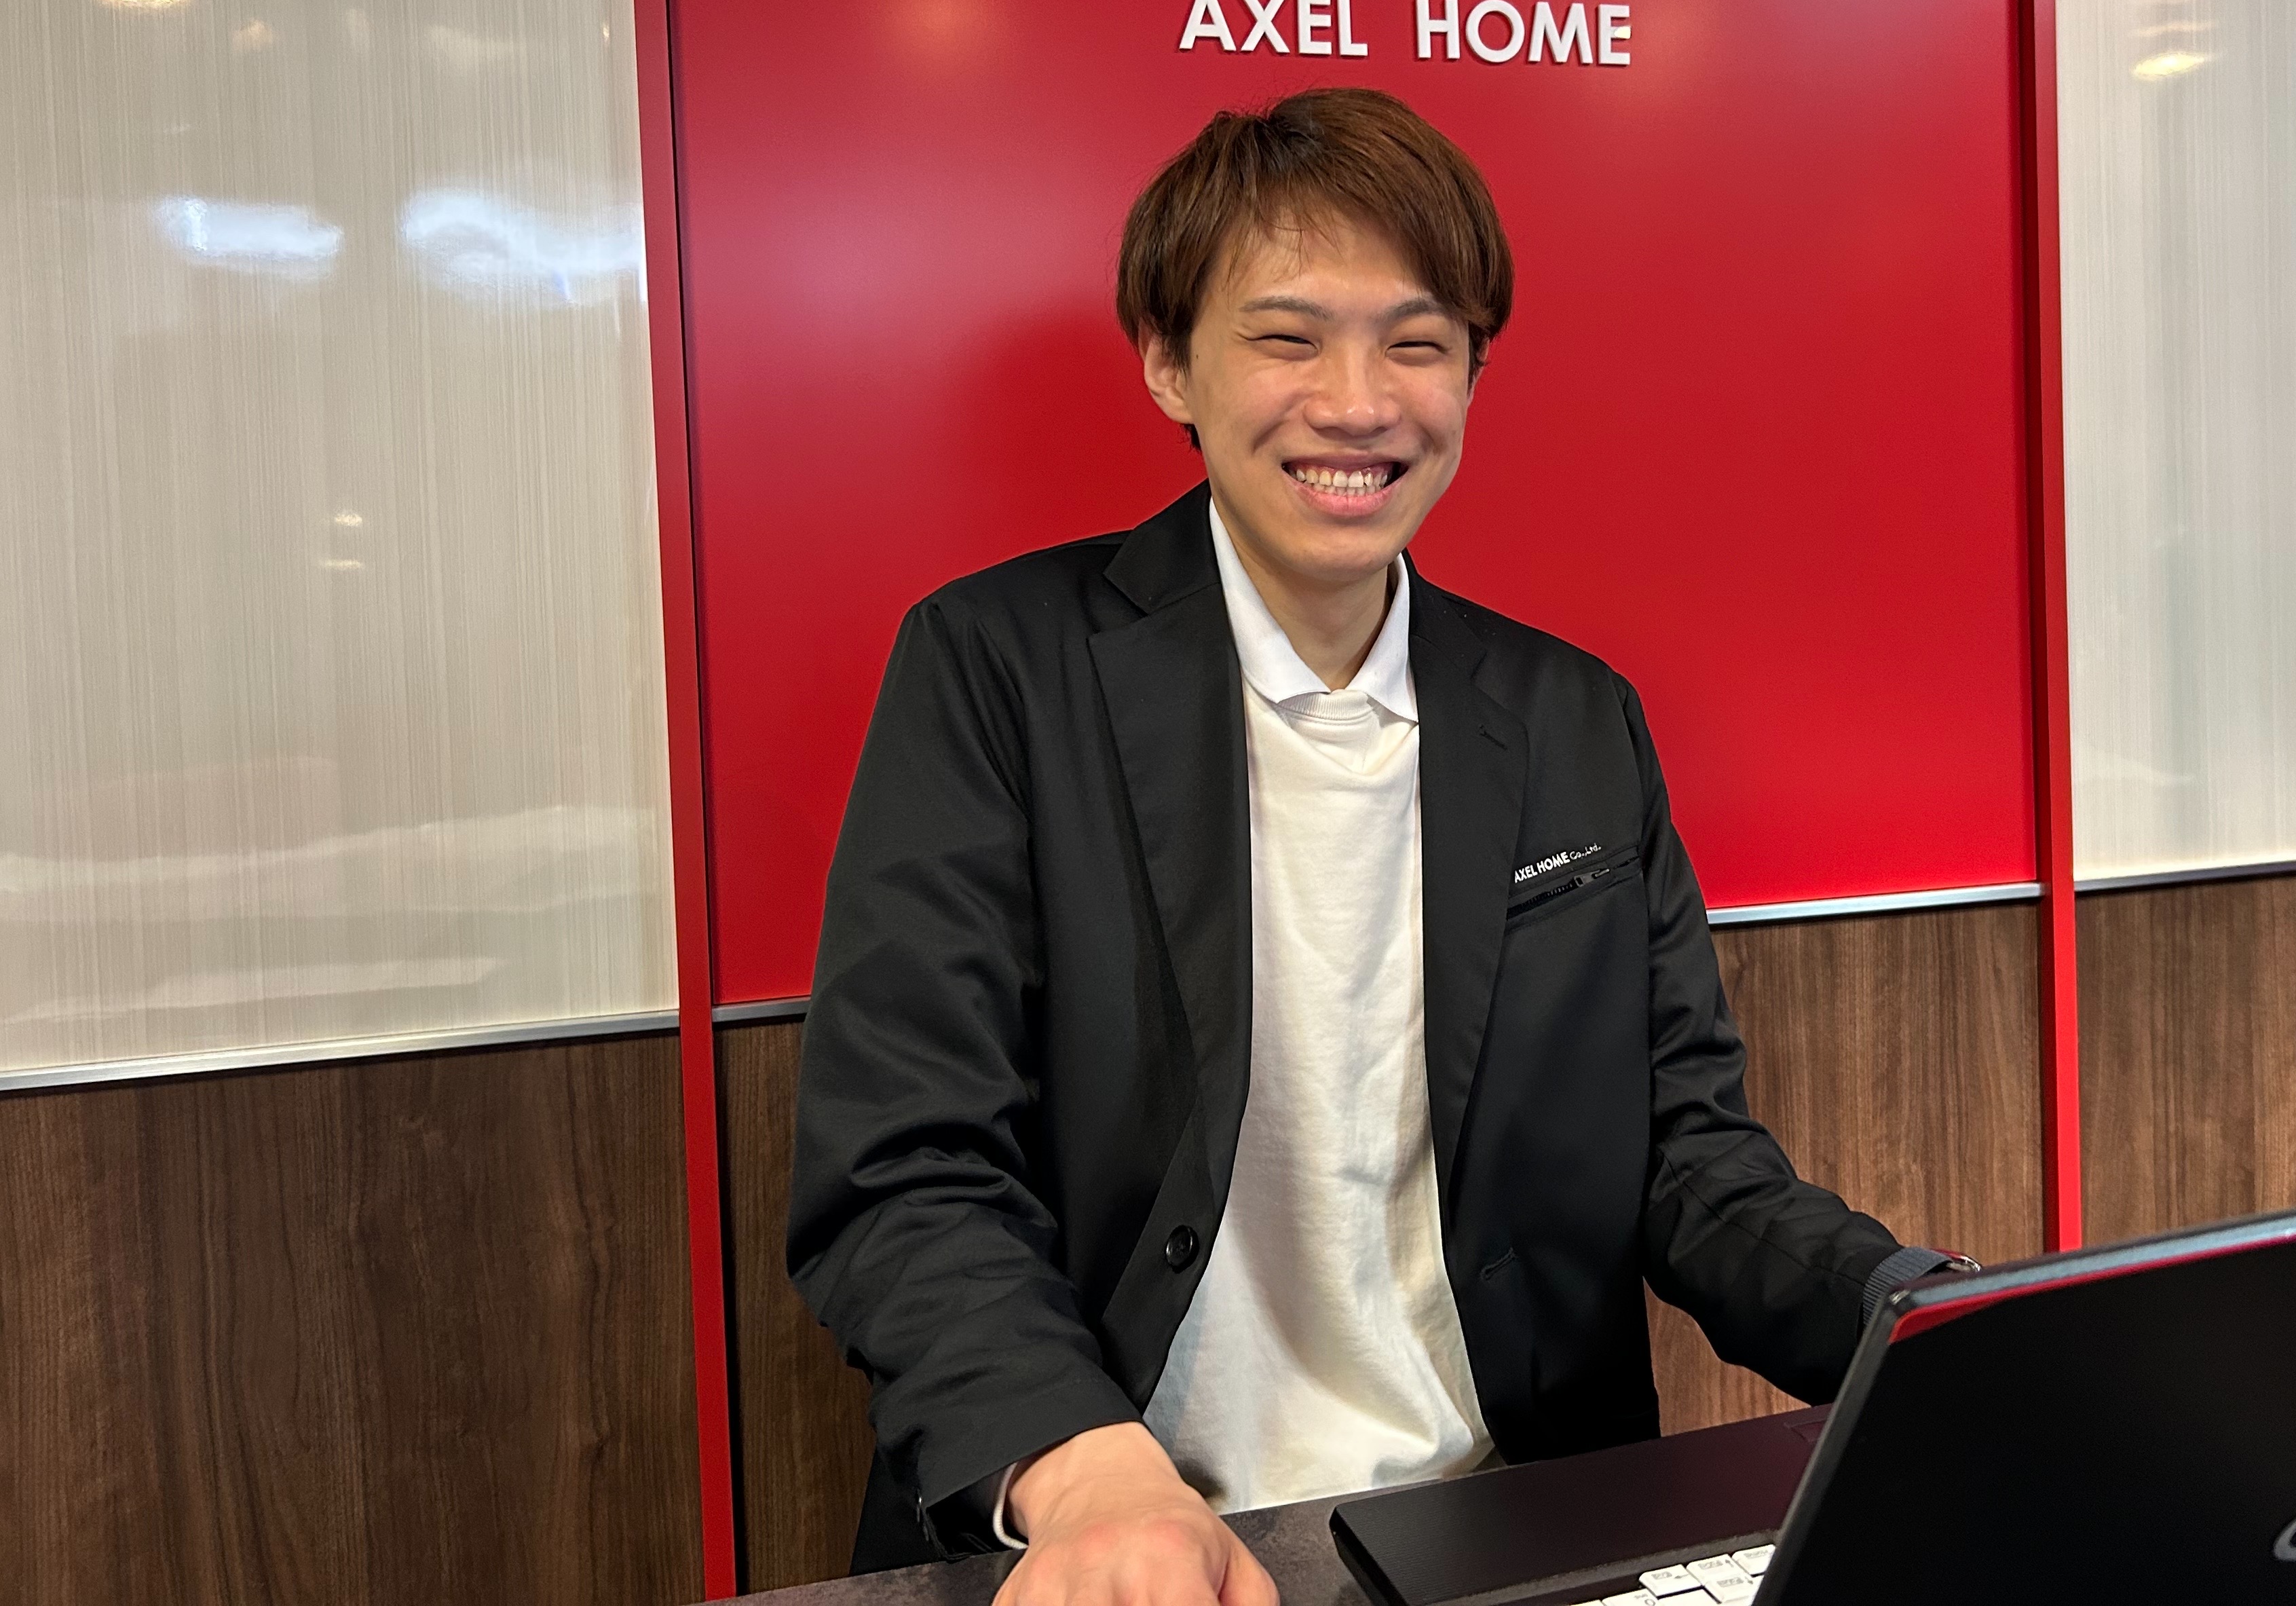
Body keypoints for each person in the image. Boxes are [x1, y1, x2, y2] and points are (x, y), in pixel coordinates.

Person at [789, 88, 1968, 1603]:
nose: (1357, 405)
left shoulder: (1569, 717)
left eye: (1417, 343)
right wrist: (1090, 1477)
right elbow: (903, 1170)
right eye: (1287, 338)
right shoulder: (996, 670)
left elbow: (1686, 1159)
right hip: (1135, 1544)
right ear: (1169, 362)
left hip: (1505, 1536)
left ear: (1471, 374)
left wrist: (1933, 1321)